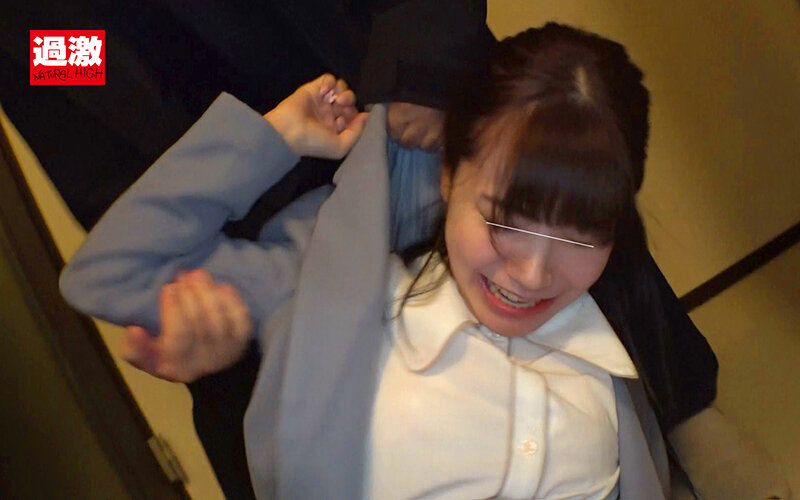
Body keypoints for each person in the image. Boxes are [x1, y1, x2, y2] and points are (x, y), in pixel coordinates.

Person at [59, 23, 718, 498]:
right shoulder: (328, 288)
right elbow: (107, 267)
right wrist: (272, 138)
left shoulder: (606, 337)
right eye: (504, 223)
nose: (533, 273)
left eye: (581, 237)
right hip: (321, 173)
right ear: (451, 175)